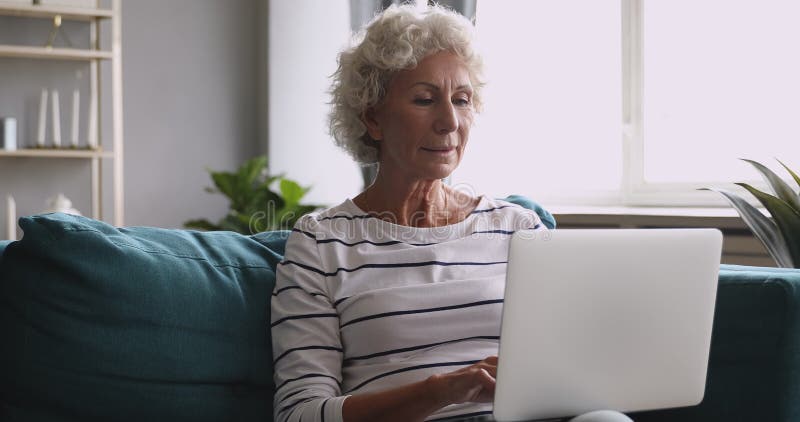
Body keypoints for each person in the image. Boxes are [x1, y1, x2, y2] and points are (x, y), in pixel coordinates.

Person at [271, 4, 633, 422]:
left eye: (462, 100)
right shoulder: (320, 244)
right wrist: (441, 392)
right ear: (373, 118)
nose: (449, 121)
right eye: (425, 100)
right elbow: (299, 414)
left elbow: (571, 365)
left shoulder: (517, 228)